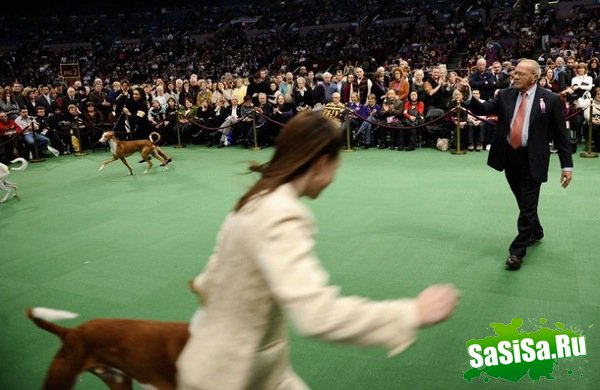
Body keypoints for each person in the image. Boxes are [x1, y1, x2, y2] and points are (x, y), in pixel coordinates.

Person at [176, 111, 459, 390]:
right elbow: (317, 315)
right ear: (322, 164)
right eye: (338, 165)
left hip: (240, 369)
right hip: (230, 376)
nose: (335, 175)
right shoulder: (281, 215)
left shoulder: (253, 200)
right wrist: (411, 314)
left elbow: (207, 283)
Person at [459, 59, 573, 270]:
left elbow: (561, 135)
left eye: (520, 74)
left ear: (534, 78)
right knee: (524, 202)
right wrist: (467, 94)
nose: (515, 76)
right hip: (509, 157)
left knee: (527, 205)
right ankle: (536, 231)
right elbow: (482, 109)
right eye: (515, 73)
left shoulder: (551, 99)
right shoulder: (505, 94)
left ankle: (517, 252)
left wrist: (567, 166)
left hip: (534, 159)